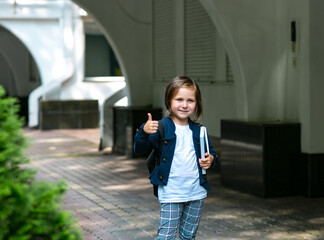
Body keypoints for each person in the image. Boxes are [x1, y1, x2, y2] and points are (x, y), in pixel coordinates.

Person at [134, 76, 218, 239]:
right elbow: (140, 149)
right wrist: (143, 131)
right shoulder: (160, 127)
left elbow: (212, 154)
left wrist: (211, 160)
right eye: (179, 99)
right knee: (166, 236)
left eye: (190, 100)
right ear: (169, 101)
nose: (185, 105)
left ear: (197, 103)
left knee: (188, 236)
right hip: (172, 192)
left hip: (196, 192)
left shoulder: (199, 130)